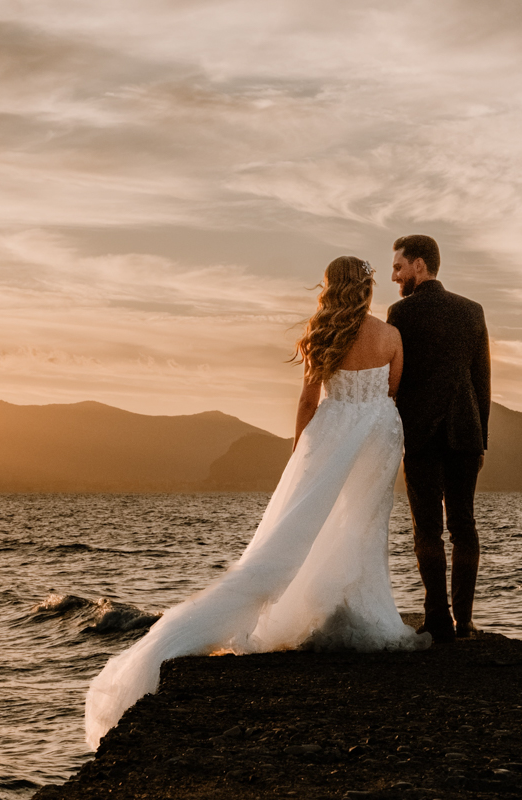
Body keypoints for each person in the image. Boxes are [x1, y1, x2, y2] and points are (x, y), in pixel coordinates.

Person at [83, 256, 429, 750]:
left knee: (305, 523)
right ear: (369, 287)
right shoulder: (392, 336)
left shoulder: (324, 331)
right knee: (362, 526)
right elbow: (391, 392)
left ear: (332, 287)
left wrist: (300, 447)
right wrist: (368, 418)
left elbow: (310, 399)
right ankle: (359, 610)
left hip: (335, 431)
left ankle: (299, 605)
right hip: (378, 435)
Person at [386, 235, 490, 644]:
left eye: (399, 267)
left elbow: (395, 376)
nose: (395, 276)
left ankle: (437, 618)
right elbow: (482, 381)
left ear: (420, 265)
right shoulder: (472, 310)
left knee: (426, 528)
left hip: (421, 434)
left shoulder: (400, 312)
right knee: (464, 525)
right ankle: (464, 622)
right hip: (466, 432)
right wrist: (482, 439)